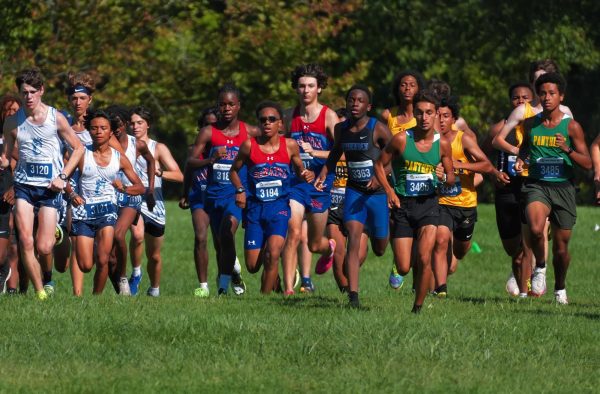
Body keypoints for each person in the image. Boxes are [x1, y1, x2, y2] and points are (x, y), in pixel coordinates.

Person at [1, 67, 85, 300]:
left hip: (50, 189)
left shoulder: (55, 118)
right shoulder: (12, 122)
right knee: (26, 240)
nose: (27, 96)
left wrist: (64, 176)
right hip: (24, 188)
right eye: (24, 92)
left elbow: (78, 149)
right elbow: (7, 157)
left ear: (41, 91)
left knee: (44, 247)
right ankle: (40, 292)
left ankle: (56, 234)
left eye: (32, 92)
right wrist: (3, 160)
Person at [491, 59, 571, 296]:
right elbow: (497, 140)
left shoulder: (565, 113)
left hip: (555, 180)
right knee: (532, 232)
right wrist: (521, 153)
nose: (540, 83)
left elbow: (573, 143)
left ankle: (539, 271)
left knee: (542, 230)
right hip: (525, 179)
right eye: (536, 79)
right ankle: (528, 268)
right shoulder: (523, 111)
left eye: (545, 78)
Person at [374, 90, 455, 313]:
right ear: (414, 115)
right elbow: (379, 165)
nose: (424, 117)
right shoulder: (402, 139)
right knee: (404, 265)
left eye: (429, 113)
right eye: (419, 113)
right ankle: (401, 270)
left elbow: (451, 177)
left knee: (424, 256)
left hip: (429, 205)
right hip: (403, 206)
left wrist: (444, 177)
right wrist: (389, 191)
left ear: (437, 114)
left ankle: (417, 308)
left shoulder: (443, 144)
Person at [514, 72, 591, 304]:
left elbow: (587, 163)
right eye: (543, 93)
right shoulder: (530, 124)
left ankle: (560, 287)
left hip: (564, 188)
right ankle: (540, 267)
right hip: (537, 185)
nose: (547, 98)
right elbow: (524, 149)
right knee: (536, 229)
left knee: (561, 249)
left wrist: (567, 149)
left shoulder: (572, 127)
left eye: (552, 93)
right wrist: (521, 160)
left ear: (561, 96)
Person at [316, 85, 392, 307]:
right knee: (353, 237)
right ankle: (353, 297)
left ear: (368, 106)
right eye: (351, 100)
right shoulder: (341, 129)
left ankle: (378, 231)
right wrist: (324, 172)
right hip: (354, 190)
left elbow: (395, 158)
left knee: (379, 248)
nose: (355, 104)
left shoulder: (377, 129)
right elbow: (335, 154)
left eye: (360, 101)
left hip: (377, 194)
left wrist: (380, 178)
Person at [230, 101, 312, 293]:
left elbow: (300, 170)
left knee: (273, 253)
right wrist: (240, 190)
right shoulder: (249, 146)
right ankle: (273, 279)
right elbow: (233, 171)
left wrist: (306, 174)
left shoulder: (290, 145)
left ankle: (264, 300)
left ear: (280, 124)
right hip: (255, 210)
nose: (267, 123)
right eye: (263, 120)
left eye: (272, 119)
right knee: (252, 266)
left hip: (280, 208)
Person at [432, 96, 509, 297]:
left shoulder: (462, 139)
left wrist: (458, 165)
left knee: (459, 251)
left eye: (446, 116)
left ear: (453, 119)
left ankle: (448, 265)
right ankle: (440, 289)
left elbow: (485, 165)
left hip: (465, 203)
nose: (440, 120)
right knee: (440, 240)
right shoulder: (428, 141)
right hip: (440, 202)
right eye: (437, 115)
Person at [187, 84, 259, 295]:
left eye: (231, 104)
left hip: (235, 195)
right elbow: (190, 162)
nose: (226, 108)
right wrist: (210, 159)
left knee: (228, 233)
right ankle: (229, 276)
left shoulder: (251, 132)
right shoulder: (208, 132)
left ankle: (222, 287)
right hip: (213, 195)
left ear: (239, 106)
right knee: (220, 242)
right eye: (222, 104)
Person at [69, 109, 144, 294]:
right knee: (86, 265)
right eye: (94, 128)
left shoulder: (119, 158)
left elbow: (140, 187)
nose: (99, 132)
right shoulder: (80, 153)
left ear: (111, 131)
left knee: (103, 260)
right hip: (84, 214)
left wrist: (124, 189)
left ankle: (96, 299)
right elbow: (64, 180)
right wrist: (72, 195)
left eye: (103, 128)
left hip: (107, 213)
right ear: (89, 131)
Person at [282, 64, 339, 294]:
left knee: (315, 243)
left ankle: (329, 248)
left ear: (319, 89)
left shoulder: (329, 116)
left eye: (311, 86)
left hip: (320, 184)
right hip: (295, 183)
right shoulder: (288, 116)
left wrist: (316, 154)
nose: (306, 90)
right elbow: (280, 148)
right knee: (293, 232)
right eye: (302, 86)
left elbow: (341, 152)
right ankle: (288, 290)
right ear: (296, 88)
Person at [484, 82, 535, 296]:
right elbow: (481, 155)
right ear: (510, 101)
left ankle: (526, 288)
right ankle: (518, 275)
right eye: (516, 98)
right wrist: (494, 173)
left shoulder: (539, 127)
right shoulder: (499, 128)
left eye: (526, 98)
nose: (521, 101)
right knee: (512, 249)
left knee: (528, 242)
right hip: (506, 190)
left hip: (529, 187)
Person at [128, 106, 183, 297]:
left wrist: (160, 172)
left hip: (155, 204)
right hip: (134, 200)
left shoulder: (158, 148)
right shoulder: (125, 146)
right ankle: (135, 273)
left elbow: (179, 175)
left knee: (154, 256)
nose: (135, 127)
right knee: (137, 235)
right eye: (132, 123)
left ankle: (154, 289)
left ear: (148, 125)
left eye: (139, 123)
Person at [105, 105, 155, 295]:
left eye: (118, 125)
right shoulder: (105, 145)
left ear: (125, 124)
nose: (115, 129)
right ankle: (120, 290)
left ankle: (124, 277)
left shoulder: (138, 144)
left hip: (131, 197)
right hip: (110, 198)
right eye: (112, 126)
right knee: (109, 254)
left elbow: (151, 161)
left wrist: (150, 189)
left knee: (118, 235)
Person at [179, 106, 220, 297]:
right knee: (201, 237)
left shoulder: (228, 149)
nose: (210, 130)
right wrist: (185, 193)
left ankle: (228, 274)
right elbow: (188, 170)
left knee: (222, 242)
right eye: (206, 125)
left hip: (221, 197)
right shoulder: (193, 150)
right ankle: (203, 286)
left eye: (214, 126)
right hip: (199, 198)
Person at [0, 94, 21, 293]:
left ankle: (13, 287)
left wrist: (15, 188)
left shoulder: (22, 137)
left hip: (13, 194)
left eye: (15, 110)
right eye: (7, 110)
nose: (11, 114)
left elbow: (25, 163)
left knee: (15, 245)